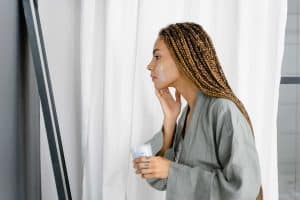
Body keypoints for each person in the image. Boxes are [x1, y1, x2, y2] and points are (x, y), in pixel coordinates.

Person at [132, 22, 263, 200]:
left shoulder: (223, 111)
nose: (149, 65)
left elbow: (242, 190)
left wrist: (172, 171)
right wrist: (169, 121)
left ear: (182, 58)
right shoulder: (186, 114)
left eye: (157, 57)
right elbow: (159, 180)